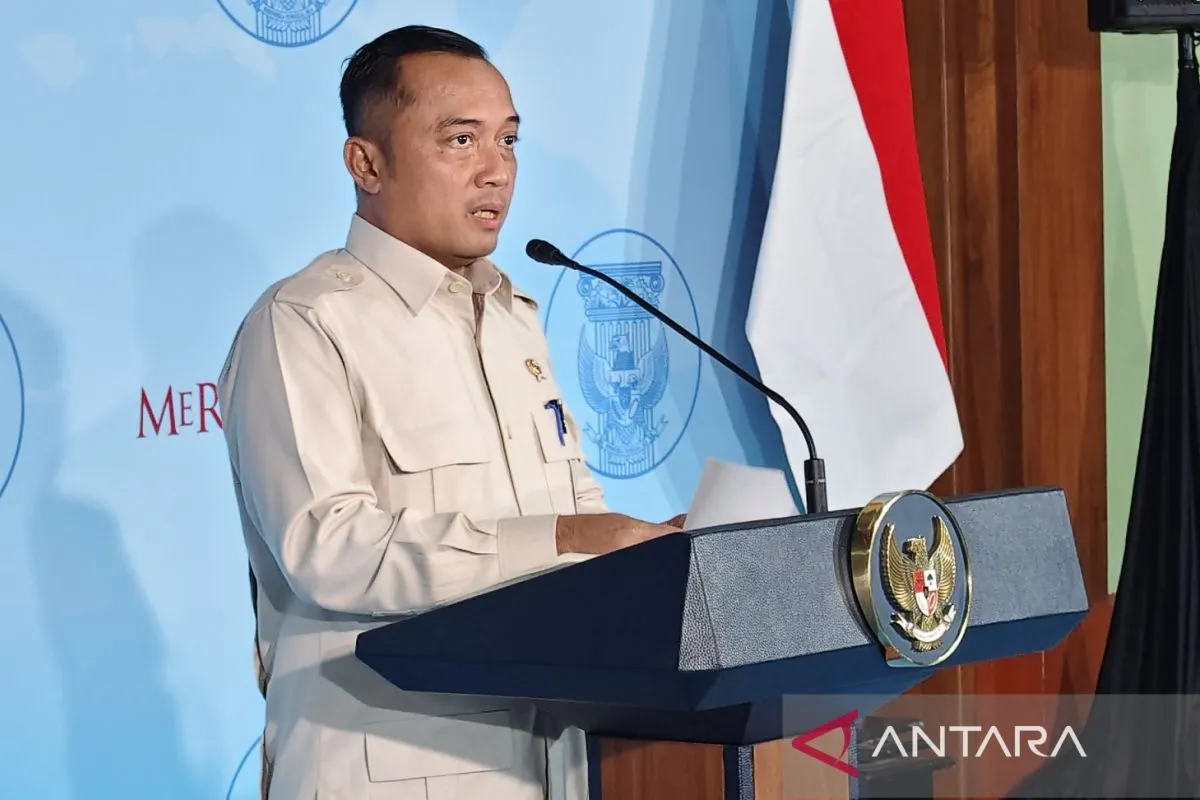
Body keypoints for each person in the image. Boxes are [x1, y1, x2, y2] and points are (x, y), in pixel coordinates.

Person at [217, 24, 684, 800]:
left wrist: (651, 556)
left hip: (552, 760)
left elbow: (573, 513)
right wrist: (565, 539)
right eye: (460, 140)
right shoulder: (304, 322)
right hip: (388, 770)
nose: (496, 170)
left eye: (508, 140)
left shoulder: (512, 314)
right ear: (366, 163)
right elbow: (326, 548)